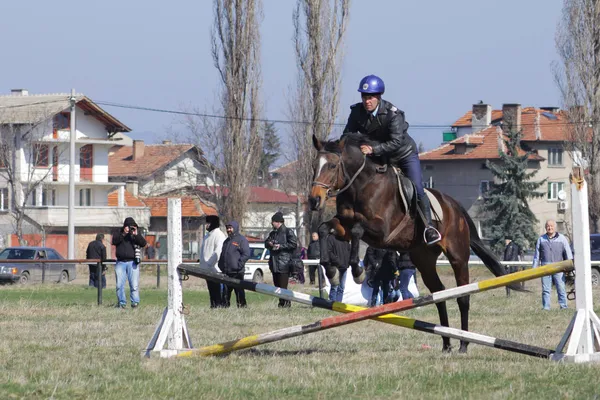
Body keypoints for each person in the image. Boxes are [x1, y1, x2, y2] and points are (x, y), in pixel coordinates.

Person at [342, 75, 441, 246]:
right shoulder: (357, 112)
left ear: (379, 97)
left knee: (417, 188)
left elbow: (396, 142)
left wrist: (373, 149)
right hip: (380, 156)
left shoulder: (392, 114)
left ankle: (429, 228)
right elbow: (347, 136)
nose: (367, 101)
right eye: (365, 97)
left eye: (371, 97)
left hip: (403, 155)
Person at [532, 220, 573, 310]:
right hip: (545, 268)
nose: (550, 228)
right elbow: (537, 256)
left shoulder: (562, 238)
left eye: (551, 226)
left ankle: (563, 307)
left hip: (559, 267)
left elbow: (568, 254)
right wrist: (534, 269)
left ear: (555, 227)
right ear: (545, 227)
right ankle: (546, 307)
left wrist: (569, 266)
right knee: (546, 290)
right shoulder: (541, 239)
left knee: (561, 288)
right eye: (548, 226)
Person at [112, 217, 147, 309]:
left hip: (132, 263)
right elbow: (114, 241)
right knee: (119, 285)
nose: (130, 229)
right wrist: (124, 233)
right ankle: (121, 303)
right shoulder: (118, 233)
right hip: (120, 262)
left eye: (133, 227)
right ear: (124, 227)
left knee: (134, 285)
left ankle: (135, 302)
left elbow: (143, 243)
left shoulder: (135, 235)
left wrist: (136, 234)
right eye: (129, 227)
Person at [265, 211, 298, 308]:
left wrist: (280, 246)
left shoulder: (288, 232)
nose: (271, 223)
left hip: (284, 263)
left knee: (283, 287)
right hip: (274, 263)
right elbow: (266, 243)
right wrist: (269, 244)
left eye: (273, 221)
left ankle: (286, 304)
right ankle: (281, 303)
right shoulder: (272, 233)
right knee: (277, 286)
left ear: (278, 222)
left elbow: (293, 244)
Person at [218, 221, 250, 308]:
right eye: (227, 228)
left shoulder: (241, 240)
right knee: (225, 294)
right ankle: (224, 310)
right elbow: (222, 254)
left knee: (239, 293)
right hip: (226, 272)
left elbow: (246, 254)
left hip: (237, 273)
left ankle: (242, 309)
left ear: (235, 228)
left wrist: (238, 265)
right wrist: (220, 265)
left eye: (230, 228)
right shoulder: (226, 241)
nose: (229, 230)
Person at [199, 215, 227, 308]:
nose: (206, 225)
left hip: (215, 270)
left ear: (212, 223)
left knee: (218, 291)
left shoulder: (219, 235)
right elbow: (204, 250)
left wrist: (209, 263)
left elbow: (218, 252)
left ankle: (219, 307)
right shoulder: (207, 235)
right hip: (207, 269)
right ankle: (213, 306)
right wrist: (202, 262)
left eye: (207, 223)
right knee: (211, 291)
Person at [325, 230, 351, 302]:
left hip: (344, 266)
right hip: (335, 266)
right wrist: (336, 261)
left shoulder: (346, 238)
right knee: (335, 286)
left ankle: (339, 304)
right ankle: (332, 304)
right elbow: (328, 251)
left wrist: (348, 261)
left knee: (341, 287)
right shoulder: (331, 238)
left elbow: (349, 250)